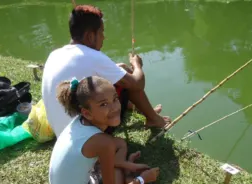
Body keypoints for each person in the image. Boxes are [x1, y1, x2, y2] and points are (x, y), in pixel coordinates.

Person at [49, 76, 169, 184]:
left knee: (119, 143)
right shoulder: (102, 142)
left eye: (115, 99)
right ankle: (128, 182)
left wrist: (125, 164)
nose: (115, 108)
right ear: (87, 112)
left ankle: (125, 177)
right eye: (103, 104)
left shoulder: (81, 121)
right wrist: (142, 179)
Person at [42, 4, 170, 137]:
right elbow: (138, 84)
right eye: (101, 32)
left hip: (61, 133)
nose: (104, 37)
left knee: (120, 70)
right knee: (127, 82)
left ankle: (143, 112)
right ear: (90, 36)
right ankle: (154, 119)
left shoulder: (55, 54)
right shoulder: (93, 56)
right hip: (86, 135)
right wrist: (137, 65)